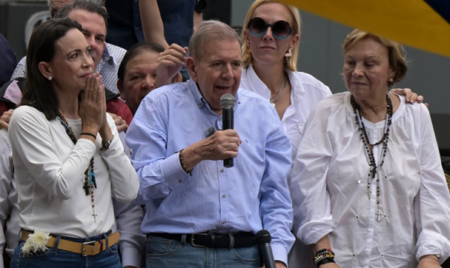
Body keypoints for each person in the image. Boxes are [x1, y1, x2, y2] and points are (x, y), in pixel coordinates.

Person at [126, 20, 294, 268]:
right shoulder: (158, 105)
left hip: (244, 254)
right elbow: (137, 188)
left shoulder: (261, 112)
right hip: (176, 253)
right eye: (217, 64)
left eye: (236, 64)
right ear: (192, 68)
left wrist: (278, 258)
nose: (229, 74)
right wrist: (193, 154)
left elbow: (277, 196)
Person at [290, 29, 450, 268]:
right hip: (336, 262)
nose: (356, 71)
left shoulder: (416, 115)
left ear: (393, 71)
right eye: (350, 62)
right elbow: (308, 190)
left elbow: (433, 194)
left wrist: (429, 256)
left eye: (370, 63)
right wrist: (324, 257)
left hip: (401, 261)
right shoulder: (327, 113)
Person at [8, 18, 139, 267]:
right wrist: (90, 132)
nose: (88, 62)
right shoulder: (28, 118)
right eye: (74, 55)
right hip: (49, 256)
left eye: (88, 52)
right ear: (46, 69)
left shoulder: (99, 118)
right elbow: (62, 186)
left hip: (105, 254)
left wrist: (105, 133)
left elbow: (129, 192)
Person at [11, 0, 126, 96]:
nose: (92, 44)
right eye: (83, 34)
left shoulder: (123, 61)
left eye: (99, 38)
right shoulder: (29, 65)